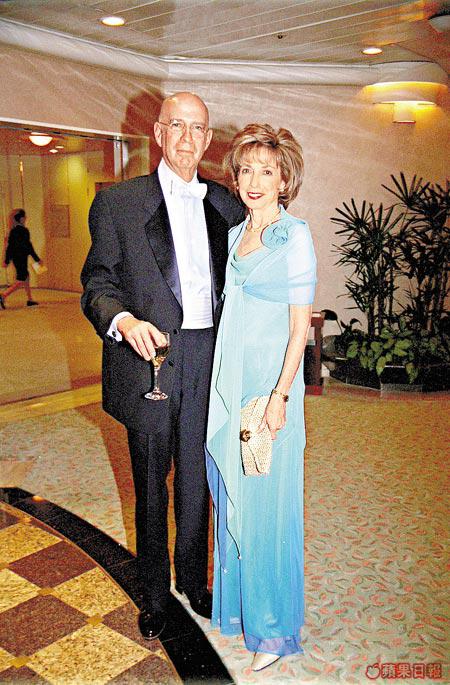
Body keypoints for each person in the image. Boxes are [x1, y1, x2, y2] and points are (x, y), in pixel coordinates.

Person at [81, 92, 244, 640]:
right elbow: (97, 282)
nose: (187, 138)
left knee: (197, 478)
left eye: (197, 129)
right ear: (158, 133)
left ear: (207, 138)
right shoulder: (119, 203)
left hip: (208, 356)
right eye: (177, 125)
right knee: (151, 483)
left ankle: (194, 581)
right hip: (149, 357)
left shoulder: (227, 205)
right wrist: (123, 320)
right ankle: (153, 595)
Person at [206, 124, 317, 671]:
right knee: (236, 494)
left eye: (266, 171)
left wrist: (280, 396)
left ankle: (273, 631)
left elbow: (299, 328)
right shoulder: (235, 235)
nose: (254, 180)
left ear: (284, 179)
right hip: (231, 384)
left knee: (268, 504)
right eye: (246, 169)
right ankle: (241, 610)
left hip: (269, 392)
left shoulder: (294, 236)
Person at [1, 209, 42, 308]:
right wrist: (37, 259)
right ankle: (3, 295)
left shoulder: (12, 231)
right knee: (21, 280)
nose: (26, 219)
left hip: (16, 258)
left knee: (26, 276)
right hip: (22, 257)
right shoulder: (24, 231)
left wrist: (7, 260)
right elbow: (28, 246)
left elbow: (10, 247)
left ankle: (30, 299)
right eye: (25, 217)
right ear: (22, 219)